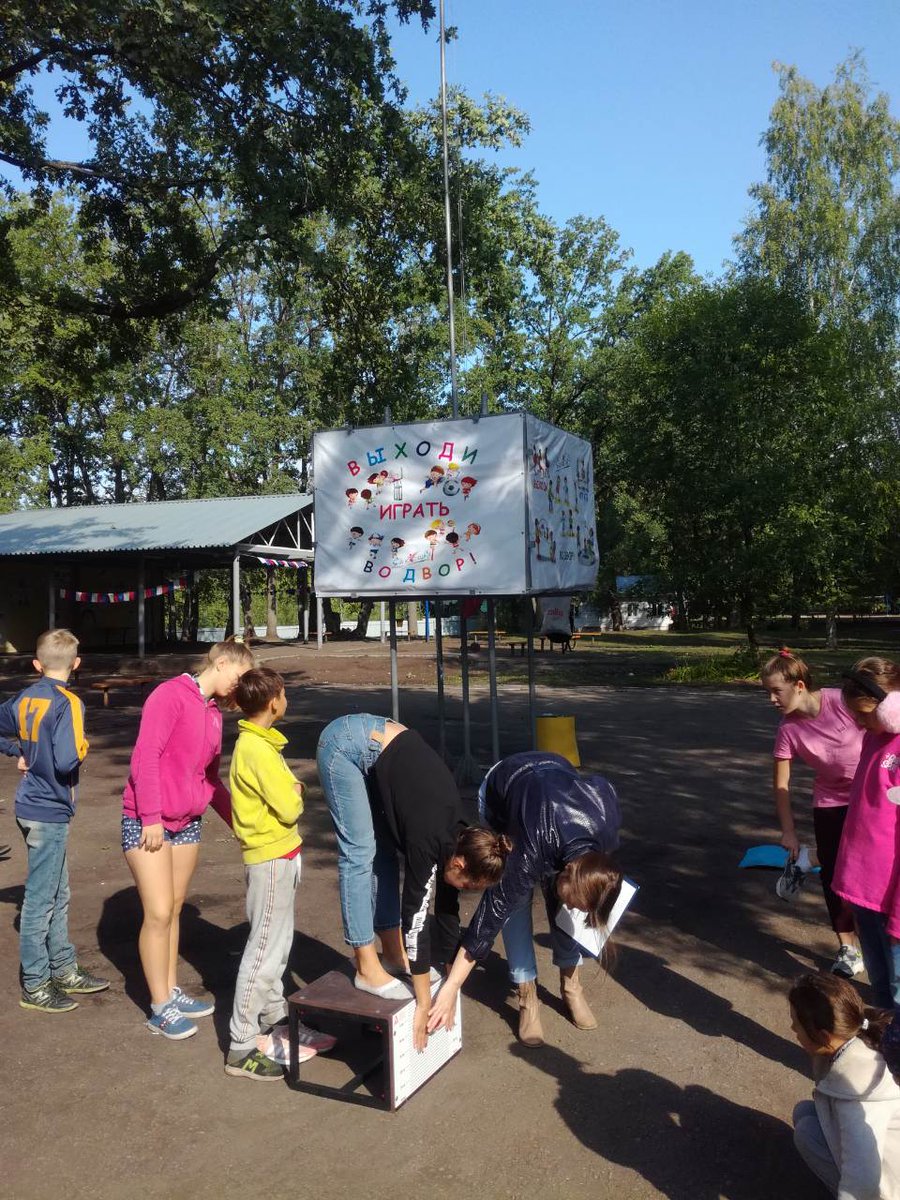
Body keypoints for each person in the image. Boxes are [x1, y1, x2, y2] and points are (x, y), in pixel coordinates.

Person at [316, 715, 510, 1051]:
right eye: (467, 885)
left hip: (382, 749)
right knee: (359, 854)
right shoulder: (430, 837)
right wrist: (423, 1002)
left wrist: (452, 980)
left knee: (386, 855)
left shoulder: (460, 836)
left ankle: (392, 955)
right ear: (460, 862)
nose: (463, 892)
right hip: (347, 745)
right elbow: (416, 919)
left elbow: (447, 907)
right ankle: (365, 966)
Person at [428, 751, 622, 1048]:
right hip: (506, 790)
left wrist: (582, 903)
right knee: (513, 904)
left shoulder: (604, 833)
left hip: (555, 779)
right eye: (576, 901)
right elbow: (488, 919)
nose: (575, 907)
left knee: (564, 909)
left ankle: (572, 985)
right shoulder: (527, 853)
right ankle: (527, 995)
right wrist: (451, 987)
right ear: (566, 874)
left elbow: (601, 785)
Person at [122, 638, 254, 1039]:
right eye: (241, 676)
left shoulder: (213, 713)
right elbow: (146, 756)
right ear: (222, 662)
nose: (242, 685)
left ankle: (170, 990)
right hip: (148, 820)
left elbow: (210, 780)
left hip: (188, 822)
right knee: (158, 912)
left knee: (175, 909)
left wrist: (242, 826)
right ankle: (159, 1007)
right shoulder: (170, 695)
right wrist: (150, 816)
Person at [224, 668, 336, 1081]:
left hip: (281, 853)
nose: (286, 699)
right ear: (274, 701)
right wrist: (295, 792)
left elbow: (287, 792)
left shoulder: (262, 744)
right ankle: (240, 1044)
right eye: (284, 694)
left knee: (279, 944)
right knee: (263, 952)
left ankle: (275, 1022)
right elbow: (289, 805)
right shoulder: (254, 749)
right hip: (270, 858)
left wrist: (291, 790)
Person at [0, 629, 109, 1012]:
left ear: (36, 664)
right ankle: (35, 983)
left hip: (32, 807)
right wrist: (83, 747)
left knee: (57, 894)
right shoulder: (69, 703)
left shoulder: (26, 696)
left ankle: (63, 968)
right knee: (40, 900)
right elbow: (66, 760)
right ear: (77, 664)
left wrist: (20, 748)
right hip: (48, 810)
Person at [761, 649, 864, 978]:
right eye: (768, 693)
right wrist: (788, 831)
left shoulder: (841, 702)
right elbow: (782, 785)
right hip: (831, 800)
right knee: (835, 875)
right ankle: (848, 946)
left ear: (800, 685)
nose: (772, 700)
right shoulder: (787, 730)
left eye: (777, 691)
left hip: (870, 794)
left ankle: (811, 857)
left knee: (870, 861)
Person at [789, 972, 900, 1199]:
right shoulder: (864, 1037)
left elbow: (865, 1181)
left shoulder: (856, 1098)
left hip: (889, 1185)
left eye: (796, 1023)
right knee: (805, 1112)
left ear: (823, 1036)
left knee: (806, 1134)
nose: (792, 1029)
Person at [832, 658, 900, 1011]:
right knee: (881, 985)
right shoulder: (875, 739)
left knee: (898, 983)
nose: (858, 722)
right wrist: (849, 882)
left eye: (863, 714)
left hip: (894, 902)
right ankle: (891, 1050)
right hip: (866, 892)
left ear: (893, 707)